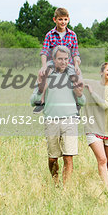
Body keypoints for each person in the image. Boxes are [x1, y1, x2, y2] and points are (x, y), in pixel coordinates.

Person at [30, 45, 85, 186]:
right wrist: (41, 86)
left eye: (66, 59)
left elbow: (82, 101)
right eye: (60, 59)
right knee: (53, 157)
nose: (63, 62)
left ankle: (65, 189)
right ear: (53, 59)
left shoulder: (73, 76)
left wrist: (79, 94)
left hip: (70, 119)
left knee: (69, 156)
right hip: (51, 120)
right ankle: (56, 184)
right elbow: (33, 101)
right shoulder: (46, 75)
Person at [34, 7, 82, 113]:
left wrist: (76, 65)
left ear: (68, 19)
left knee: (76, 76)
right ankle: (41, 101)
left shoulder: (72, 35)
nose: (63, 22)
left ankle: (76, 104)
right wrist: (44, 65)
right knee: (43, 74)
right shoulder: (50, 35)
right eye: (60, 19)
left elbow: (75, 53)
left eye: (65, 19)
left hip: (67, 62)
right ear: (54, 20)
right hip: (53, 63)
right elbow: (44, 52)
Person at [82, 62, 108, 187]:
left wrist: (92, 92)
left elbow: (105, 104)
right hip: (93, 128)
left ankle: (105, 184)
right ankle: (107, 188)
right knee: (102, 159)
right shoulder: (91, 84)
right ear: (101, 72)